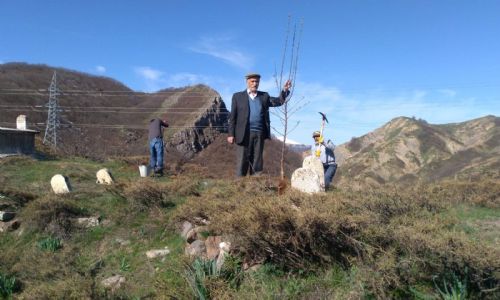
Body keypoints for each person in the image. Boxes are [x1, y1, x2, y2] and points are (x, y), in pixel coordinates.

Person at [227, 73, 292, 176]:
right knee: (242, 161)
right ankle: (240, 185)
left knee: (257, 161)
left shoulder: (264, 96)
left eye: (257, 81)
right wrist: (231, 134)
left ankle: (255, 185)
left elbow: (279, 101)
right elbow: (233, 117)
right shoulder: (237, 96)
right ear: (247, 82)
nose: (255, 84)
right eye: (252, 81)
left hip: (259, 133)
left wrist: (285, 90)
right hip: (243, 133)